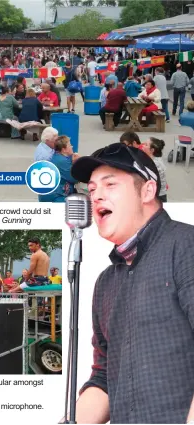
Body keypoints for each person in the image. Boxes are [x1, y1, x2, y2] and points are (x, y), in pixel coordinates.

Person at [71, 142, 194, 424]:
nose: (96, 196)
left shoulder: (186, 246)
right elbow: (104, 375)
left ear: (147, 191)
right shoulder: (105, 282)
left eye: (110, 184)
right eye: (91, 190)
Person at [39, 135, 79, 203]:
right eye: (70, 145)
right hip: (55, 197)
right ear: (64, 150)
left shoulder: (59, 157)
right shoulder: (62, 161)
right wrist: (76, 163)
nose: (72, 146)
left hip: (53, 194)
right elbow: (74, 178)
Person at [142, 137, 167, 202]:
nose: (143, 145)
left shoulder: (156, 164)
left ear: (152, 150)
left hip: (158, 196)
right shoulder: (152, 159)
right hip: (155, 193)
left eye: (146, 144)